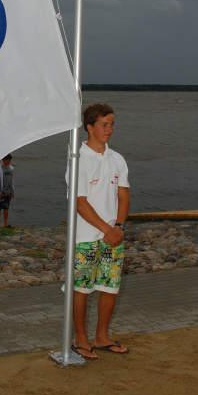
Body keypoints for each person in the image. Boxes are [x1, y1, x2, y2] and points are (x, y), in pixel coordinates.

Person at [71, 103, 130, 360]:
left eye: (112, 124)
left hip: (113, 237)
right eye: (105, 124)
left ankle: (102, 336)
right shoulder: (79, 159)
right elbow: (80, 202)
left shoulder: (117, 159)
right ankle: (80, 338)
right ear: (90, 127)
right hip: (86, 237)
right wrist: (106, 228)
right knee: (82, 288)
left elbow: (124, 195)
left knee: (109, 287)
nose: (110, 129)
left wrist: (117, 227)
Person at [0, 153, 15, 227]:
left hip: (8, 192)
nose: (8, 161)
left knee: (6, 208)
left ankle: (5, 223)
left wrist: (12, 192)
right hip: (0, 192)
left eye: (9, 160)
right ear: (3, 160)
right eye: (7, 160)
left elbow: (11, 181)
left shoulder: (11, 169)